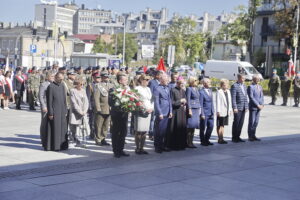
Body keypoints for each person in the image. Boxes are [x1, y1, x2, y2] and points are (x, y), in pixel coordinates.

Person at [109, 73, 130, 158]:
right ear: (120, 81)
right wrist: (120, 102)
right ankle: (116, 151)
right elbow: (110, 102)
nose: (126, 81)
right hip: (116, 114)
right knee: (116, 132)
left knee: (123, 132)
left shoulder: (127, 89)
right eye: (125, 80)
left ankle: (121, 149)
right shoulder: (113, 89)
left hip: (124, 114)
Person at [45, 72, 68, 151]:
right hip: (55, 111)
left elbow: (64, 99)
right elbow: (49, 102)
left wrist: (65, 110)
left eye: (62, 78)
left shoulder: (62, 85)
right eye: (59, 78)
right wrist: (50, 113)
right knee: (56, 129)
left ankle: (63, 145)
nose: (61, 80)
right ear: (56, 77)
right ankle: (56, 146)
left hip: (62, 111)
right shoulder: (50, 87)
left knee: (63, 129)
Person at [134, 74, 154, 154]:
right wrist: (144, 108)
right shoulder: (137, 88)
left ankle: (142, 147)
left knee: (145, 131)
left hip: (148, 110)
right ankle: (137, 148)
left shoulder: (148, 89)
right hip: (140, 111)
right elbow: (137, 100)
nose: (148, 82)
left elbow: (151, 100)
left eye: (148, 80)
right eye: (146, 80)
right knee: (139, 130)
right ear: (142, 80)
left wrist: (151, 108)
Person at [153, 73, 172, 153]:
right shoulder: (157, 88)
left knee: (165, 131)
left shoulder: (167, 88)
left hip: (167, 112)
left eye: (167, 80)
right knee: (159, 131)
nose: (167, 81)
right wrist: (159, 112)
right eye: (166, 80)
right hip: (161, 112)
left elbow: (169, 100)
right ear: (161, 80)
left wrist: (170, 111)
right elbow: (156, 102)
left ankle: (163, 145)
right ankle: (158, 147)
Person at [167, 77, 187, 150]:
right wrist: (180, 101)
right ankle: (175, 145)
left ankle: (182, 144)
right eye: (181, 83)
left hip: (182, 112)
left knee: (182, 128)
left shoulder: (183, 91)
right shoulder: (173, 90)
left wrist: (185, 103)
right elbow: (172, 102)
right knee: (176, 128)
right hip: (176, 112)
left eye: (183, 83)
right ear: (177, 83)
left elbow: (185, 100)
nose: (182, 85)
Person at [69, 78, 90, 148]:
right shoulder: (72, 91)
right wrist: (80, 111)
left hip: (83, 112)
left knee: (82, 127)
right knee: (75, 127)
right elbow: (74, 102)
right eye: (81, 84)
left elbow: (86, 101)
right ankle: (74, 139)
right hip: (76, 112)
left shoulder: (83, 91)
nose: (82, 85)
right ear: (76, 84)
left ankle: (81, 140)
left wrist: (85, 110)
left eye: (83, 84)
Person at [94, 71, 113, 146]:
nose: (106, 78)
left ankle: (103, 138)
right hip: (101, 108)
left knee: (106, 125)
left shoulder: (111, 85)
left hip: (109, 108)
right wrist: (98, 108)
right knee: (99, 125)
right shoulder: (98, 86)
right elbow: (96, 98)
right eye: (104, 77)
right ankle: (98, 139)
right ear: (101, 77)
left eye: (107, 77)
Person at [231, 74, 248, 143]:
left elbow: (245, 97)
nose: (244, 80)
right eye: (243, 78)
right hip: (237, 108)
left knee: (241, 123)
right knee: (236, 122)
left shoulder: (244, 86)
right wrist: (234, 107)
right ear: (239, 78)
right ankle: (234, 137)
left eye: (244, 78)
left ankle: (238, 136)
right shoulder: (234, 86)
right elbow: (233, 98)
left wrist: (246, 107)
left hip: (243, 107)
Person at [39, 72, 54, 149]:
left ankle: (50, 138)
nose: (53, 77)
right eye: (51, 76)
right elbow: (41, 96)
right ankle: (43, 138)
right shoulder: (43, 84)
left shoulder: (54, 84)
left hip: (52, 107)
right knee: (44, 123)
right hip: (46, 107)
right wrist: (43, 106)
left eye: (53, 76)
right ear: (47, 77)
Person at [247, 75, 264, 141]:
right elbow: (251, 97)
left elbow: (262, 96)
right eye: (257, 79)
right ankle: (250, 136)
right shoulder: (250, 87)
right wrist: (257, 105)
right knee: (252, 122)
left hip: (259, 107)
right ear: (253, 79)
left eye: (259, 79)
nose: (259, 80)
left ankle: (253, 135)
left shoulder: (259, 86)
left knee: (256, 122)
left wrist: (262, 104)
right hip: (253, 107)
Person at [216, 79, 232, 144]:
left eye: (226, 84)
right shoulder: (219, 92)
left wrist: (230, 109)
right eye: (224, 85)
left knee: (223, 125)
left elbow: (229, 101)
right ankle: (220, 138)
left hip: (226, 111)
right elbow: (218, 102)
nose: (225, 86)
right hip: (221, 110)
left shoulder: (228, 91)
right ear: (221, 85)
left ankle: (222, 138)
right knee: (219, 125)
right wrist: (218, 111)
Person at [186, 77, 200, 148]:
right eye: (195, 81)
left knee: (194, 126)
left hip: (197, 109)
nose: (197, 82)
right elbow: (188, 100)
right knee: (190, 126)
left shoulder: (196, 89)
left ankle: (191, 141)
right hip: (192, 109)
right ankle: (188, 142)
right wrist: (189, 109)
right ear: (191, 82)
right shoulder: (189, 89)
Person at [148, 70, 163, 140]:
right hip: (153, 102)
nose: (161, 77)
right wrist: (151, 103)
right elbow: (150, 93)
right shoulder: (152, 82)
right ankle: (151, 133)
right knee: (152, 119)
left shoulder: (160, 83)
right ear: (157, 76)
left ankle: (155, 132)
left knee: (156, 119)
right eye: (161, 75)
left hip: (159, 103)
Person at [199, 78, 214, 146]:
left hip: (211, 112)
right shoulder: (201, 92)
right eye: (208, 82)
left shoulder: (210, 90)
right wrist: (202, 113)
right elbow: (201, 104)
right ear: (204, 84)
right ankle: (203, 141)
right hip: (204, 113)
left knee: (211, 126)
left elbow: (212, 102)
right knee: (203, 128)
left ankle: (207, 139)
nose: (210, 83)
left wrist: (213, 110)